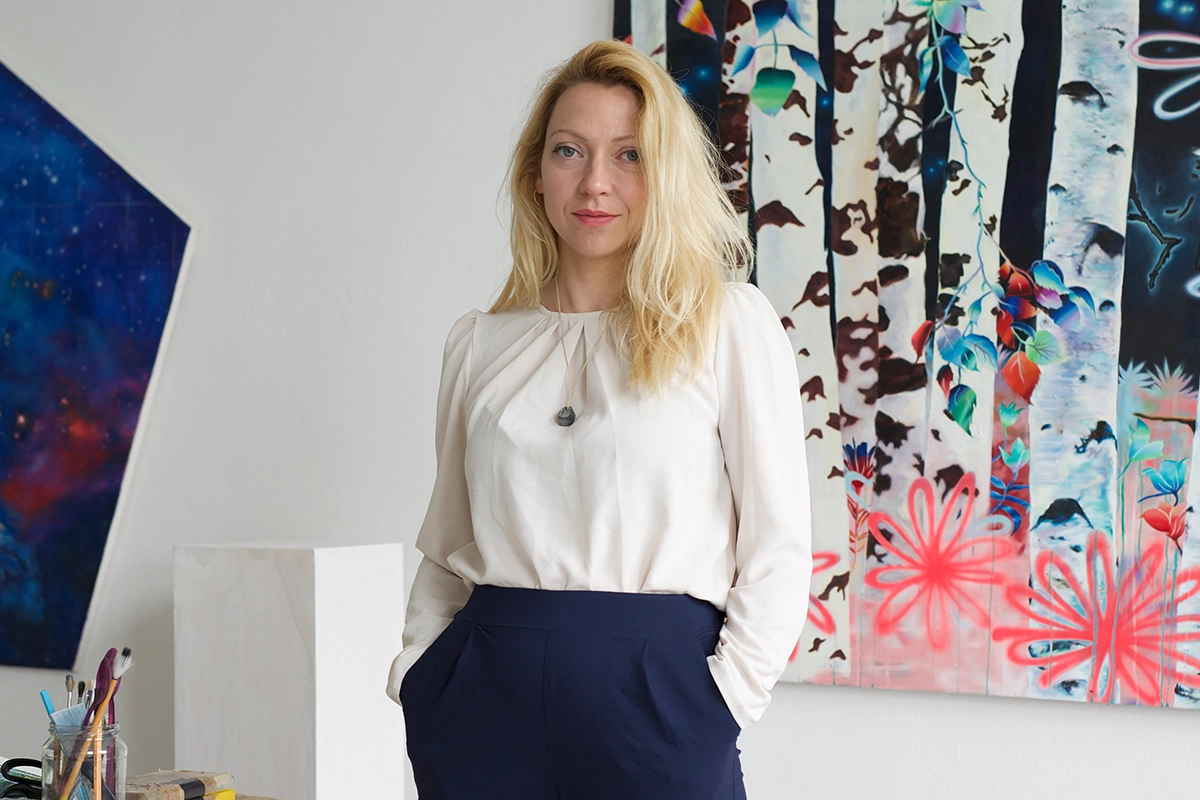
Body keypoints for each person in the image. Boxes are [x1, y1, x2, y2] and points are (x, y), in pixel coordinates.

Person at [386, 39, 813, 800]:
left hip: (662, 707)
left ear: (665, 174)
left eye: (629, 155)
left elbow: (777, 547)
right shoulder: (479, 345)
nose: (594, 183)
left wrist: (721, 706)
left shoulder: (725, 325)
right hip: (482, 712)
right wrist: (422, 678)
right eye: (569, 151)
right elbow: (448, 544)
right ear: (536, 173)